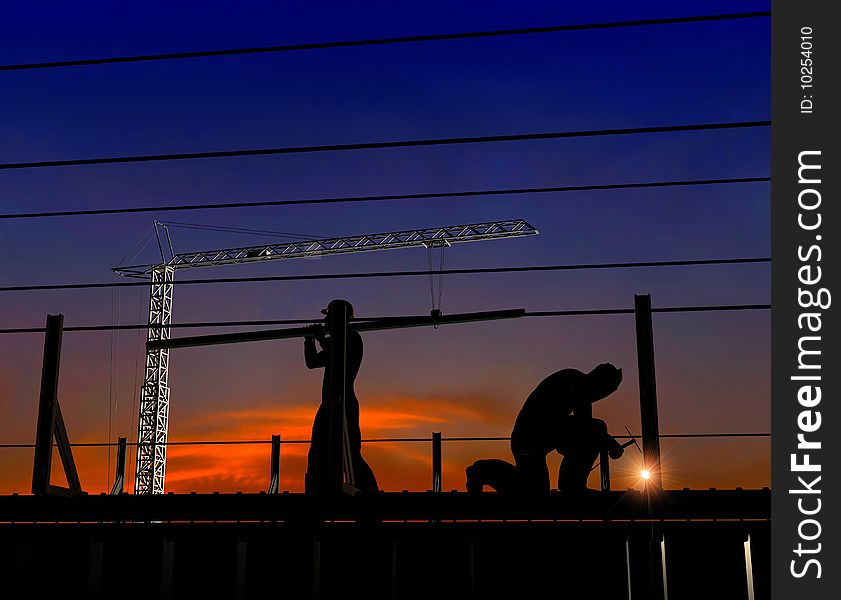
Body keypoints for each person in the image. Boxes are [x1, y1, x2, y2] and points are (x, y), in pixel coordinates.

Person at [466, 364, 625, 494]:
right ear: (600, 383)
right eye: (605, 392)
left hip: (530, 439)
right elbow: (585, 429)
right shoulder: (577, 384)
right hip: (529, 439)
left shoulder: (577, 384)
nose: (602, 397)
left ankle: (483, 470)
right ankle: (572, 485)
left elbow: (576, 432)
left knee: (535, 491)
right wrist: (610, 443)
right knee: (597, 428)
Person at [303, 299, 378, 495]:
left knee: (351, 454)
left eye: (329, 317)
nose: (326, 321)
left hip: (343, 403)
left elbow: (339, 356)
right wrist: (309, 340)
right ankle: (315, 495)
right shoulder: (336, 342)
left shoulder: (352, 339)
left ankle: (370, 495)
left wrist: (321, 339)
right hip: (328, 405)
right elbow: (312, 362)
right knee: (318, 453)